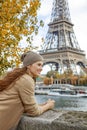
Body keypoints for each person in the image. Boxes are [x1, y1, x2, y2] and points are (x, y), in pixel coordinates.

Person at [0, 51, 55, 130]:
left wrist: (42, 105)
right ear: (29, 65)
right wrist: (48, 106)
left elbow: (23, 105)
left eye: (42, 65)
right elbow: (34, 112)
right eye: (38, 64)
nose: (41, 68)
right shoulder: (27, 80)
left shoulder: (19, 76)